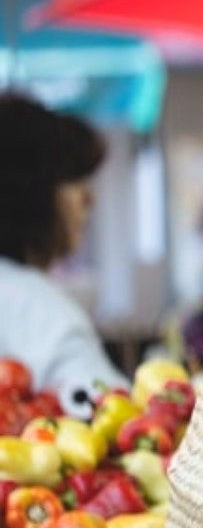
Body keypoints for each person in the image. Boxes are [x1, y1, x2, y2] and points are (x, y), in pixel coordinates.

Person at [0, 94, 127, 415]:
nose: (90, 198)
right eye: (74, 179)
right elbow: (115, 417)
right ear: (29, 192)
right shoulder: (36, 307)